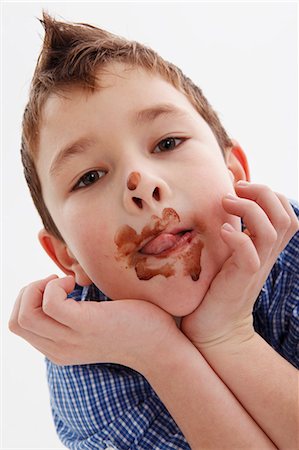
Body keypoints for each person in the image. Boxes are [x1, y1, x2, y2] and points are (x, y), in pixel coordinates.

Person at [9, 12, 298, 450]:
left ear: (234, 171)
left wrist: (227, 334)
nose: (140, 184)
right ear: (66, 256)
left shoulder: (288, 245)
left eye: (167, 143)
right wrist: (158, 353)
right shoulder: (84, 363)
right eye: (89, 177)